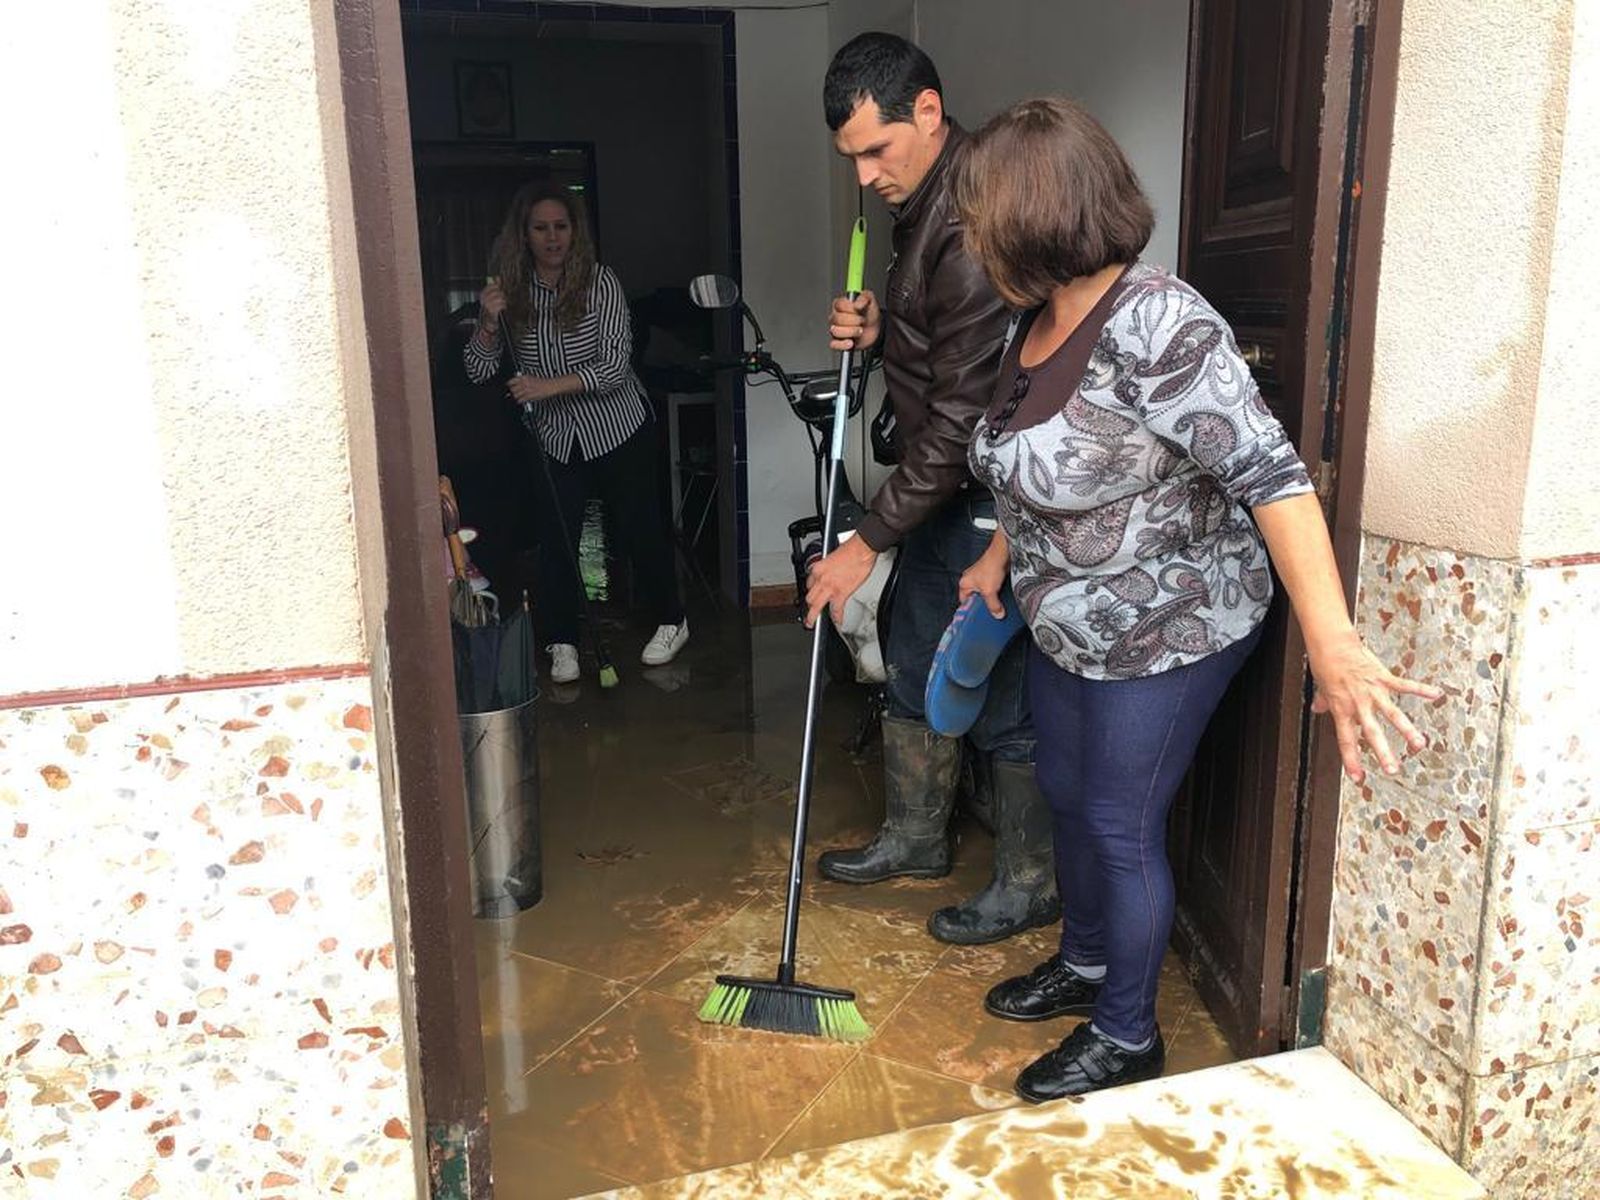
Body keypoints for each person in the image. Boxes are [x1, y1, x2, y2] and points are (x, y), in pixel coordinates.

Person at [950, 98, 1442, 1100]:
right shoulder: (1035, 320)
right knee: (1066, 793)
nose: (969, 231)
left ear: (1030, 212)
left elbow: (1273, 478)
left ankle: (1128, 1032)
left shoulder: (1159, 324)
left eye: (977, 211)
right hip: (1066, 620)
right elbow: (1043, 464)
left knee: (1119, 821)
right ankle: (1084, 962)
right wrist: (999, 558)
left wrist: (1335, 644)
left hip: (1170, 621)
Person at [807, 32, 1055, 946]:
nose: (867, 174)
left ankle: (1030, 882)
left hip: (987, 498)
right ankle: (916, 838)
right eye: (852, 159)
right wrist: (882, 332)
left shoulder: (975, 219)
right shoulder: (922, 204)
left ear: (927, 109)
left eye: (877, 149)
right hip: (940, 491)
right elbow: (944, 347)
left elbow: (960, 426)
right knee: (914, 652)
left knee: (992, 684)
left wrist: (861, 542)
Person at [465, 182, 687, 683]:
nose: (552, 238)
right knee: (558, 538)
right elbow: (479, 371)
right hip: (554, 438)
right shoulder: (511, 290)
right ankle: (562, 640)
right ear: (524, 234)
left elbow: (614, 365)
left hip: (616, 427)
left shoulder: (599, 282)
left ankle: (673, 620)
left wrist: (546, 387)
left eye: (560, 227)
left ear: (574, 231)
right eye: (541, 228)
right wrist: (487, 322)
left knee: (638, 528)